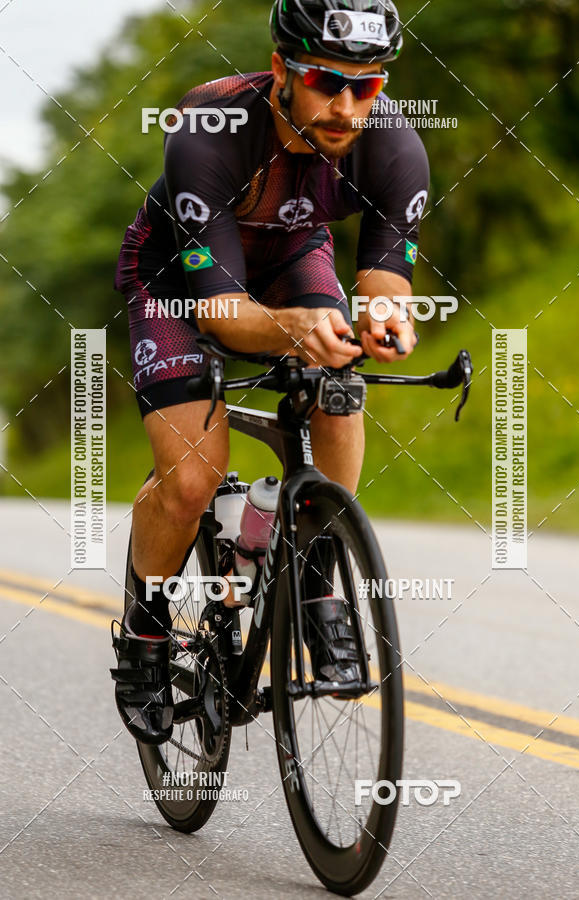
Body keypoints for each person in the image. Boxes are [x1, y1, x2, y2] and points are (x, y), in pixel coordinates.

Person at [111, 0, 429, 744]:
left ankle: (316, 566)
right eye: (326, 81)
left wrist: (387, 320)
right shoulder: (208, 132)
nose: (347, 107)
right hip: (179, 279)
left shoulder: (396, 150)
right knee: (190, 482)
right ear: (283, 69)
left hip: (289, 256)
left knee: (340, 384)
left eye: (368, 86)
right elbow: (221, 310)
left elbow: (386, 279)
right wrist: (292, 330)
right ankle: (146, 630)